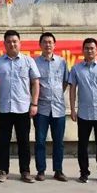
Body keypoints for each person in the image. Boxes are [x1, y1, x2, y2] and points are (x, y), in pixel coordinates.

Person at [0, 30, 40, 184]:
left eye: (15, 41)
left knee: (24, 142)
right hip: (4, 108)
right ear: (4, 44)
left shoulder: (28, 61)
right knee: (3, 142)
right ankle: (3, 170)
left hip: (23, 108)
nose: (12, 44)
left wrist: (34, 103)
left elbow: (35, 83)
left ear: (20, 43)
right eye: (9, 41)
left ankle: (25, 171)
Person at [69, 38, 97, 183]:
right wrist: (72, 109)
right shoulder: (76, 69)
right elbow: (72, 89)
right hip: (84, 113)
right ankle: (84, 172)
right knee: (82, 145)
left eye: (92, 48)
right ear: (83, 50)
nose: (89, 50)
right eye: (87, 48)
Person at [34, 32, 69, 182]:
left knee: (58, 142)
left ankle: (58, 170)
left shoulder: (62, 62)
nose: (48, 44)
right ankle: (41, 170)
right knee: (40, 141)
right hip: (41, 108)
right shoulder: (34, 62)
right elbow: (32, 83)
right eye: (45, 42)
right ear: (40, 45)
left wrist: (57, 94)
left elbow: (65, 82)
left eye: (50, 42)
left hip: (58, 108)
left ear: (54, 45)